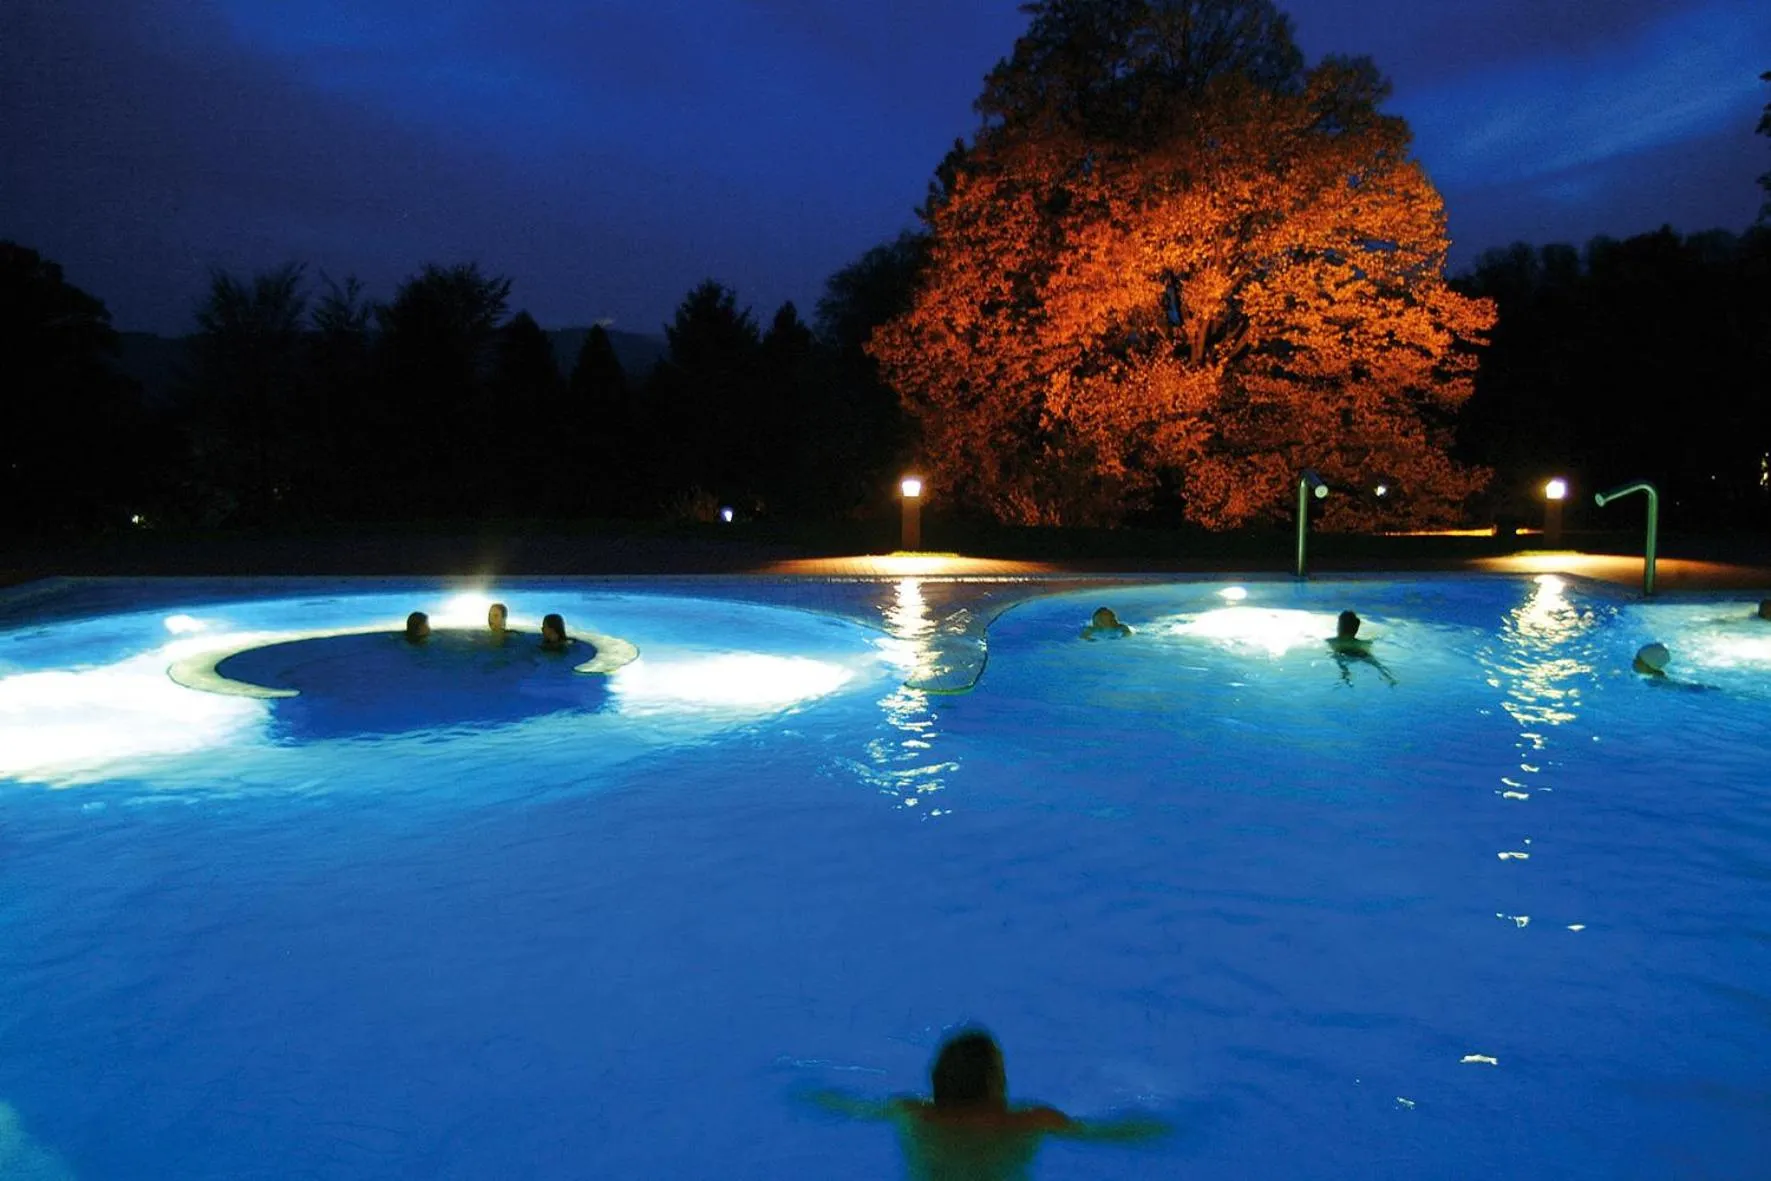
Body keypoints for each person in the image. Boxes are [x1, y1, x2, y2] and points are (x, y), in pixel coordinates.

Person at [803, 1027, 1166, 1180]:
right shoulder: (1030, 1121)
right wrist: (1160, 1122)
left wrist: (813, 1092)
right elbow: (1111, 1134)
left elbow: (847, 1106)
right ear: (995, 1082)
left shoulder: (911, 1111)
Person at [1327, 610, 1395, 686]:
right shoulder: (1360, 643)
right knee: (1377, 664)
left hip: (1343, 653)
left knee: (1337, 658)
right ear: (1355, 628)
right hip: (1360, 653)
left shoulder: (1332, 641)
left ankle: (1346, 674)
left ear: (1339, 626)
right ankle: (1390, 678)